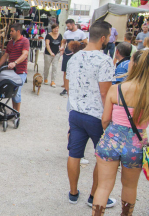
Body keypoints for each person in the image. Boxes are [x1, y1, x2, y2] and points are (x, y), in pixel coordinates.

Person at [65, 21, 116, 208]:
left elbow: (68, 85)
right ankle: (94, 196)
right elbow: (105, 93)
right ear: (103, 38)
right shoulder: (104, 60)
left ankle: (73, 192)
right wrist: (108, 117)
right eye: (109, 36)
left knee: (74, 154)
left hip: (76, 113)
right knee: (101, 157)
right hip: (96, 116)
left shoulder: (74, 57)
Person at [92, 50, 149, 216]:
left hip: (111, 140)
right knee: (130, 186)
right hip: (136, 145)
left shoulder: (117, 89)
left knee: (103, 186)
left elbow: (105, 119)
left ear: (134, 65)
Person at [0, 23, 29, 112]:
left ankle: (16, 113)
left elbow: (25, 54)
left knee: (16, 93)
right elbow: (5, 56)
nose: (10, 33)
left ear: (18, 31)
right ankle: (14, 110)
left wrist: (15, 63)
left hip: (20, 72)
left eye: (12, 31)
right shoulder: (10, 43)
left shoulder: (25, 41)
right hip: (11, 73)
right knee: (11, 92)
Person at [60, 19, 88, 96]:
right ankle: (66, 88)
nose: (68, 28)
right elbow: (63, 42)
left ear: (73, 24)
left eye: (69, 26)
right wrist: (62, 47)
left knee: (77, 70)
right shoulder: (66, 33)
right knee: (65, 71)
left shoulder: (81, 33)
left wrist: (77, 43)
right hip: (67, 53)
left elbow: (86, 42)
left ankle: (76, 87)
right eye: (67, 26)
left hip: (77, 54)